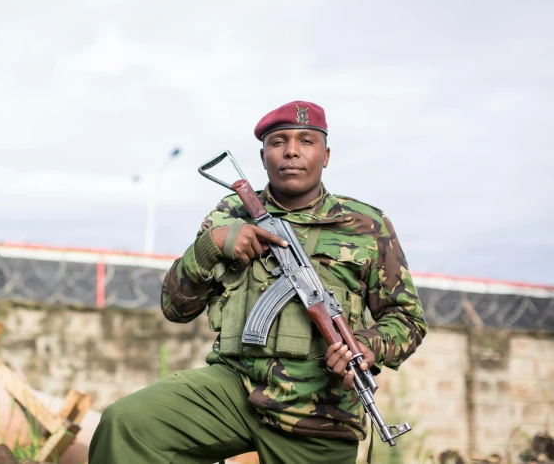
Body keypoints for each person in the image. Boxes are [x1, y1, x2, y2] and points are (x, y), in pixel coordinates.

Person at [88, 100, 427, 464]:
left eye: (306, 141)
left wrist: (366, 345)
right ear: (263, 155)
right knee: (127, 423)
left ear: (326, 155)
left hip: (320, 413)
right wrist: (211, 246)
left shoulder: (366, 225)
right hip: (233, 388)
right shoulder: (229, 214)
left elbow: (408, 319)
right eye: (278, 141)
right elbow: (175, 307)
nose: (292, 151)